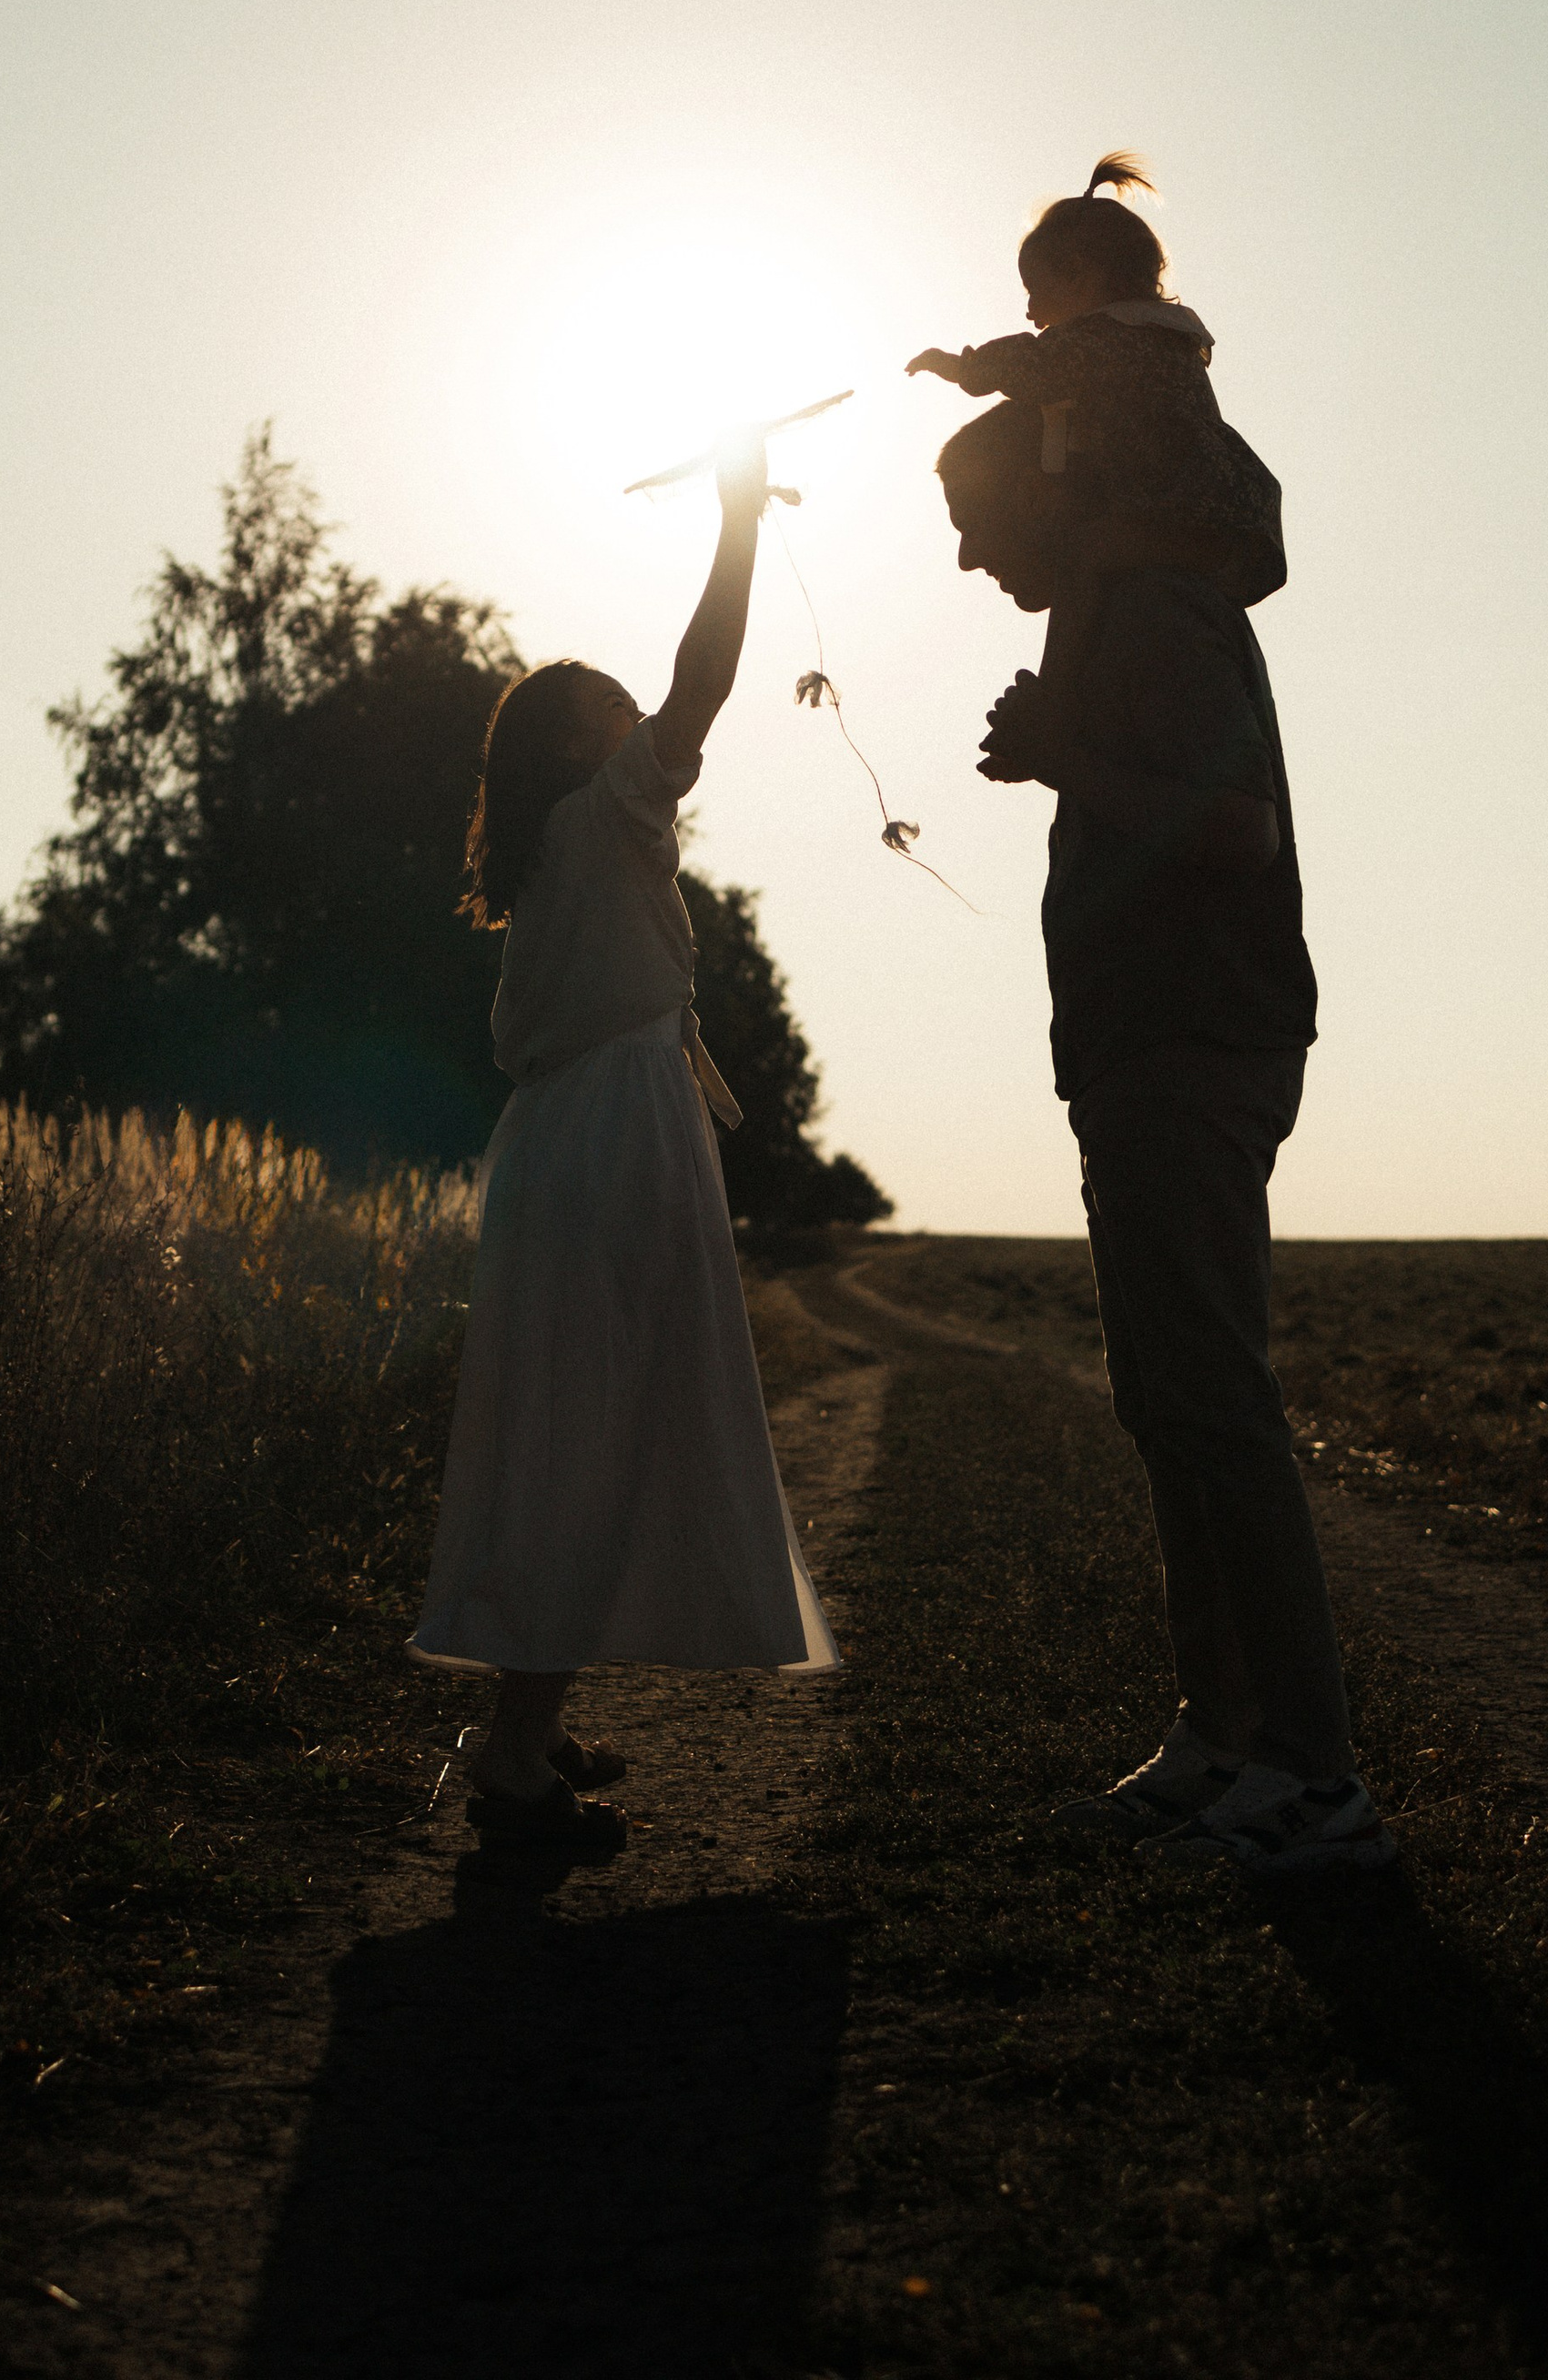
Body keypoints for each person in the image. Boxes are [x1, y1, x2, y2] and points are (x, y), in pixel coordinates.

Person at [935, 393, 1392, 1876]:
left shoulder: (1152, 611)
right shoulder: (1106, 620)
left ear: (1045, 492)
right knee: (1164, 1405)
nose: (962, 561)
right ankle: (1221, 1739)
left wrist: (1067, 754)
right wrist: (1057, 746)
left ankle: (1315, 1782)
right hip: (1141, 1049)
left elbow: (1236, 828)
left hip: (1200, 1040)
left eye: (972, 521)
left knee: (1215, 1407)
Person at [410, 433, 837, 1856]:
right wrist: (736, 524)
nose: (629, 709)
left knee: (571, 1430)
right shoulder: (606, 817)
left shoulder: (555, 854)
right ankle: (517, 1761)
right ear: (573, 747)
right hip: (613, 1138)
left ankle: (522, 1727)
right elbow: (706, 678)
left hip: (564, 1141)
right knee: (594, 1436)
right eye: (604, 703)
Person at [908, 153, 1285, 607]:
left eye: (1036, 291)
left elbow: (1032, 365)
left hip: (1164, 502)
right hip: (1211, 503)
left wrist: (960, 367)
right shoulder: (1160, 336)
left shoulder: (1106, 340)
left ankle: (1059, 676)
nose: (1030, 312)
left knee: (1086, 561)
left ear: (1082, 276)